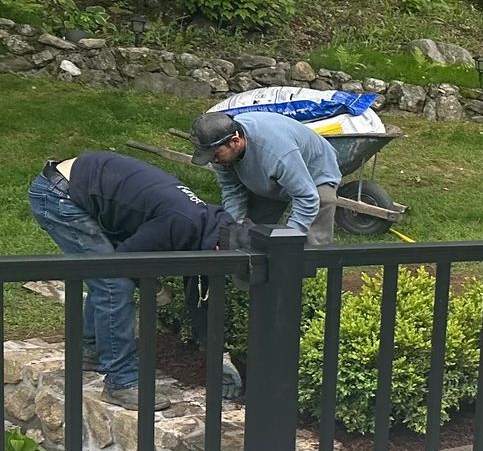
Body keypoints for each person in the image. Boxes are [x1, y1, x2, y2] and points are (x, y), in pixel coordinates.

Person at [27, 152, 240, 409]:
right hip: (59, 195)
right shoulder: (181, 223)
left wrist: (218, 360)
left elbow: (199, 296)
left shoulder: (211, 226)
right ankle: (121, 382)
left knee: (107, 274)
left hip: (87, 183)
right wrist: (156, 288)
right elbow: (123, 261)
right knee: (114, 281)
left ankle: (90, 350)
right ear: (220, 251)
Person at [190, 105, 342, 244]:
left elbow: (307, 197)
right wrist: (235, 225)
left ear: (235, 141)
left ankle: (313, 267)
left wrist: (287, 240)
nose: (213, 160)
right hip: (270, 173)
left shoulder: (277, 153)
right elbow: (232, 189)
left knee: (312, 237)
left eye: (216, 155)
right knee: (253, 234)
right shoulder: (221, 153)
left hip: (316, 171)